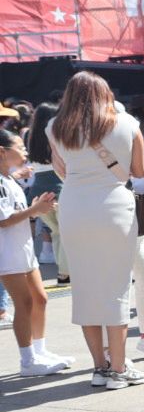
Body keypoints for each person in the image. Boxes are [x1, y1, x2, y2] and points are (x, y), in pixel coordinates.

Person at [48, 71, 144, 388]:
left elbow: (61, 169)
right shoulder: (128, 123)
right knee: (117, 286)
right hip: (114, 207)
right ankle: (119, 369)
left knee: (85, 287)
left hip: (74, 207)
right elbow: (138, 171)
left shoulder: (56, 127)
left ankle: (100, 367)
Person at [0, 128, 72, 375]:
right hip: (7, 253)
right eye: (20, 147)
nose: (25, 151)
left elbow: (15, 214)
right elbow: (3, 220)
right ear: (2, 152)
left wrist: (35, 208)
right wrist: (34, 210)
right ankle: (27, 360)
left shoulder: (9, 179)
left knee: (39, 299)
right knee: (24, 302)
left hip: (23, 250)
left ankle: (39, 351)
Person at [24, 103, 69, 286]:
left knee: (56, 231)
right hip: (58, 184)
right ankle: (65, 272)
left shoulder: (29, 135)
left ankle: (63, 271)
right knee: (65, 232)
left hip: (38, 188)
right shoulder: (57, 134)